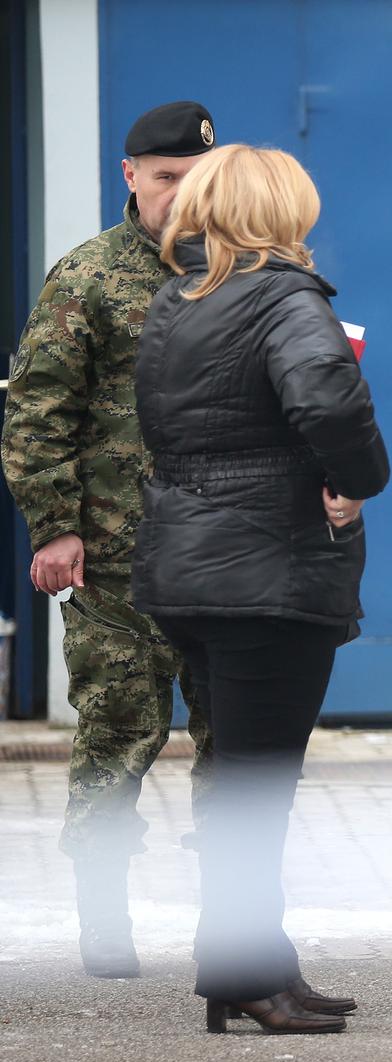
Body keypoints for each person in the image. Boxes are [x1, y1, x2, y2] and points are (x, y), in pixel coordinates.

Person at [130, 144, 390, 1033]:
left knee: (241, 775)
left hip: (189, 562)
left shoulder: (177, 299)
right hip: (266, 565)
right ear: (282, 210)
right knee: (255, 784)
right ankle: (242, 969)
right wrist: (358, 477)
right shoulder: (284, 297)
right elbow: (327, 399)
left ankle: (256, 959)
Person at [2, 100, 218, 979]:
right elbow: (36, 411)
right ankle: (102, 912)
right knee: (117, 736)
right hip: (116, 560)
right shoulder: (87, 277)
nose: (183, 195)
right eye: (167, 178)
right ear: (131, 176)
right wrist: (54, 525)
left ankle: (233, 918)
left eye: (198, 179)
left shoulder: (245, 270)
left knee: (235, 743)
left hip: (226, 552)